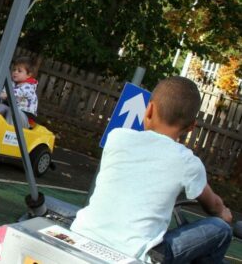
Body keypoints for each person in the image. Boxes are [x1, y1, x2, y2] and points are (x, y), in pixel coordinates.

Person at [70, 76, 233, 263]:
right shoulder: (187, 162)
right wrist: (223, 214)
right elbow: (213, 205)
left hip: (82, 233)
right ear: (191, 127)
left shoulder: (117, 137)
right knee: (221, 229)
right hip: (136, 255)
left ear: (149, 109)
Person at [0, 56, 38, 128]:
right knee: (2, 107)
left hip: (26, 118)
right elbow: (3, 93)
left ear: (29, 75)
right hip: (13, 112)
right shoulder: (12, 84)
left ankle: (9, 131)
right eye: (14, 70)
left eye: (19, 71)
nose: (15, 72)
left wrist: (1, 94)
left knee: (13, 112)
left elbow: (12, 94)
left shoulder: (29, 87)